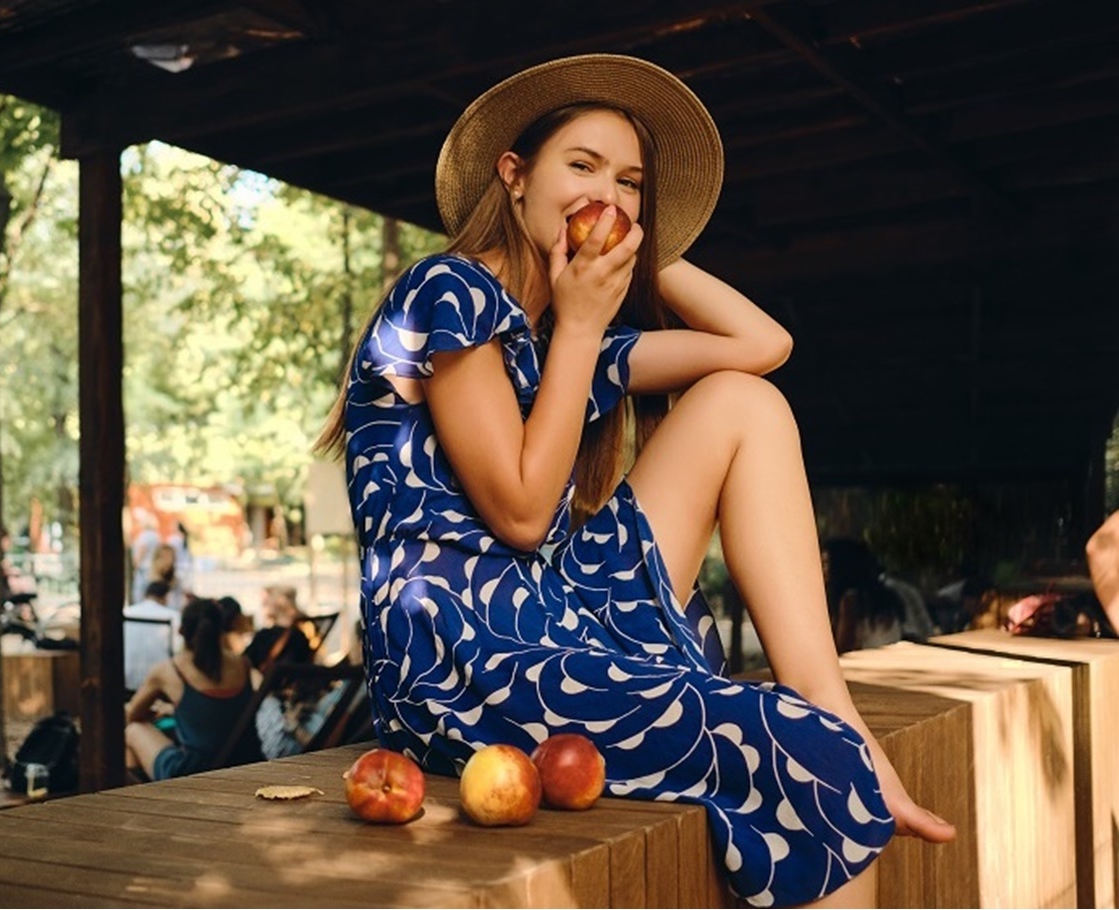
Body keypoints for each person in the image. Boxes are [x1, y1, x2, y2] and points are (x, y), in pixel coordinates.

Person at [312, 54, 953, 907]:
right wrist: (580, 321)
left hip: (561, 609)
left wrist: (640, 250)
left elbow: (762, 347)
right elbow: (519, 513)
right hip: (468, 660)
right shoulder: (449, 291)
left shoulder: (566, 340)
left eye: (629, 183)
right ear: (513, 175)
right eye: (579, 167)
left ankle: (827, 700)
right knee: (805, 759)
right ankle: (829, 739)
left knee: (741, 402)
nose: (605, 195)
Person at [125, 598, 264, 780]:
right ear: (221, 630)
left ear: (181, 631)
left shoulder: (169, 670)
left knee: (133, 730)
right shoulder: (242, 664)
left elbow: (133, 715)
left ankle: (138, 798)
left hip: (193, 772)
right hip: (246, 763)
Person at [821, 538, 906, 654]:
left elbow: (844, 648)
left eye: (826, 563)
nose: (822, 569)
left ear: (840, 566)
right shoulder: (879, 593)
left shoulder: (851, 599)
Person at [123, 580, 180, 692]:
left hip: (127, 679)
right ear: (166, 597)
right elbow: (178, 649)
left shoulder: (127, 613)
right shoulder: (172, 616)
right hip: (160, 684)